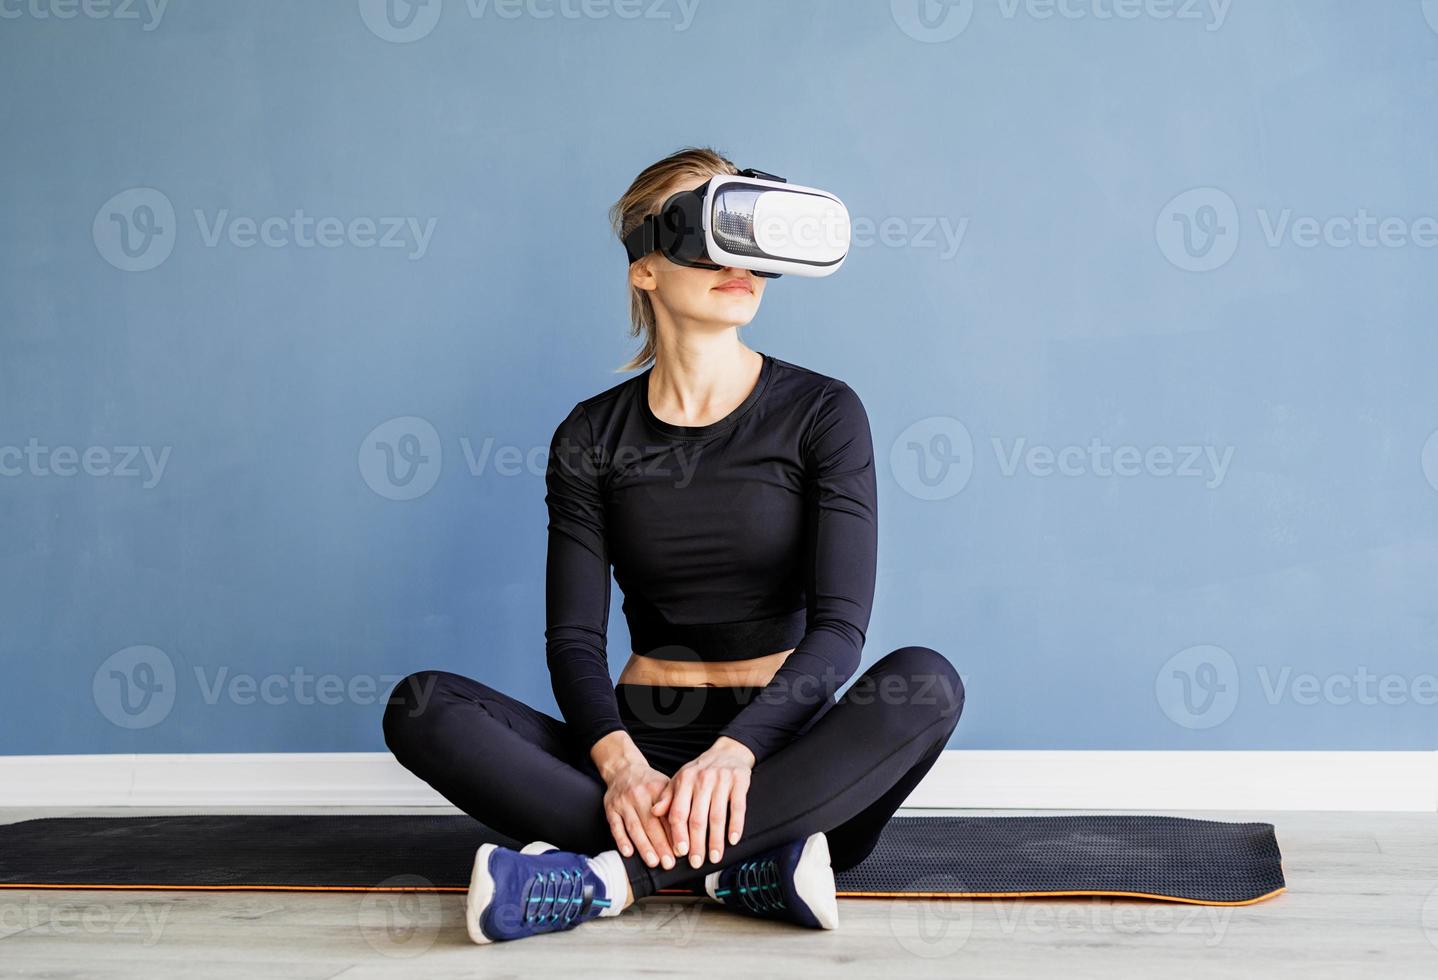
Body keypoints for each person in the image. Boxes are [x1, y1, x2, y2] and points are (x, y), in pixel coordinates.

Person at [382, 146, 965, 944]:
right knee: (421, 706)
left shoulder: (825, 413)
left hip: (788, 756)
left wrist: (736, 753)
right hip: (643, 740)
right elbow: (573, 641)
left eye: (750, 238)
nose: (739, 263)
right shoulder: (590, 435)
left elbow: (839, 632)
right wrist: (621, 765)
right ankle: (750, 870)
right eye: (709, 231)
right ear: (644, 270)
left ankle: (609, 877)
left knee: (926, 684)